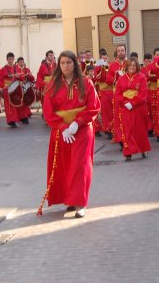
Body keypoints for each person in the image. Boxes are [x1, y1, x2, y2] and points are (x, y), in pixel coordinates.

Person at [39, 51, 101, 218]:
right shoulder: (53, 85)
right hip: (61, 131)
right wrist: (62, 127)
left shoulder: (86, 83)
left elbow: (94, 106)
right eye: (62, 63)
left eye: (68, 62)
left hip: (81, 130)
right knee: (65, 165)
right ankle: (70, 199)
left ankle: (81, 203)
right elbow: (48, 111)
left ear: (75, 64)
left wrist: (77, 123)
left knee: (80, 165)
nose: (65, 66)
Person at [115, 58, 151, 161]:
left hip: (138, 107)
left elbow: (143, 93)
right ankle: (128, 152)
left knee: (139, 129)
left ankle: (143, 149)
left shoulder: (142, 77)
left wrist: (133, 103)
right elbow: (117, 94)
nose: (132, 67)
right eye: (130, 65)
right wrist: (125, 102)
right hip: (125, 108)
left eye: (134, 65)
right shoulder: (121, 79)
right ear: (127, 66)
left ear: (137, 67)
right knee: (127, 130)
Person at [106, 45, 127, 145]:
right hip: (118, 94)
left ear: (125, 51)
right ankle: (120, 139)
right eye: (118, 51)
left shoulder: (130, 63)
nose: (120, 52)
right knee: (118, 117)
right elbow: (108, 80)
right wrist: (115, 75)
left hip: (129, 94)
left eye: (122, 50)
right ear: (116, 52)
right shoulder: (112, 65)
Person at [0, 52, 21, 128]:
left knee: (14, 104)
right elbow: (0, 79)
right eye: (9, 59)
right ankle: (10, 120)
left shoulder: (16, 67)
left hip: (14, 88)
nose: (11, 60)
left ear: (14, 59)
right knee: (8, 105)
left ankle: (14, 119)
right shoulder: (3, 68)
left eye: (12, 59)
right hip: (6, 88)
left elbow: (19, 77)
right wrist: (0, 87)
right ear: (7, 59)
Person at [94, 51, 113, 138]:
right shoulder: (97, 67)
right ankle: (108, 130)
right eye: (103, 58)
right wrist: (101, 68)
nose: (105, 60)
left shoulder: (111, 65)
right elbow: (98, 78)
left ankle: (114, 128)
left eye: (106, 58)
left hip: (112, 91)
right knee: (106, 112)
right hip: (104, 91)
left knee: (114, 111)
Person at [16, 57, 35, 124]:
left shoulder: (26, 69)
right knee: (19, 103)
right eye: (20, 62)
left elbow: (32, 79)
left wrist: (29, 75)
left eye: (22, 62)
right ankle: (21, 117)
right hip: (18, 88)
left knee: (25, 102)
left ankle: (24, 117)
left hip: (25, 87)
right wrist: (22, 76)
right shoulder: (15, 69)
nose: (22, 63)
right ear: (17, 62)